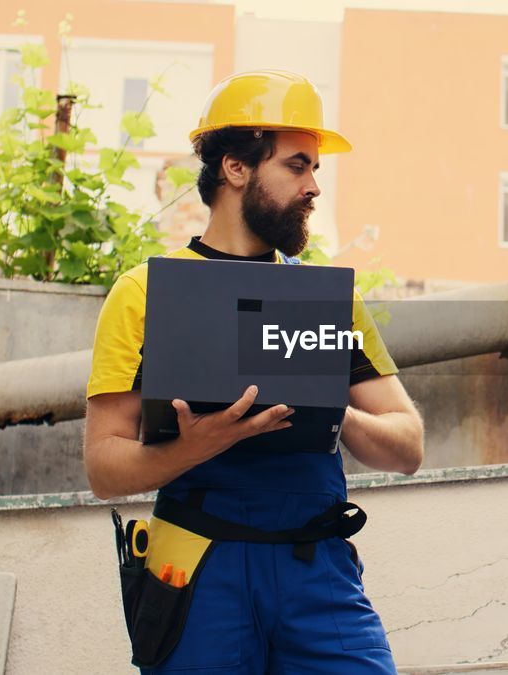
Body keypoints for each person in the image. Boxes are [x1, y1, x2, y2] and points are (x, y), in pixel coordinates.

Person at [83, 69, 424, 674]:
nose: (314, 185)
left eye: (316, 169)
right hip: (196, 572)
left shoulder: (328, 302)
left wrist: (326, 405)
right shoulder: (144, 294)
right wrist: (195, 446)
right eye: (298, 166)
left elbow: (407, 446)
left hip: (316, 571)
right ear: (236, 167)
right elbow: (104, 469)